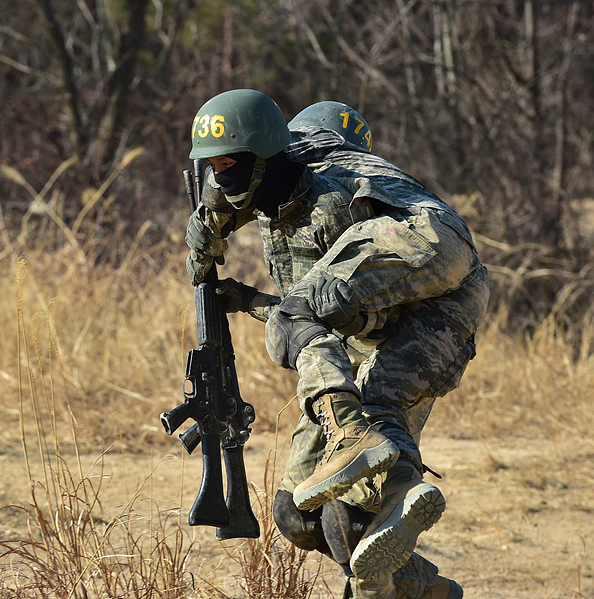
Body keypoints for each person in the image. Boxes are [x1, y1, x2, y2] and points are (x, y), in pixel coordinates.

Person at [184, 90, 487, 599]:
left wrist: (202, 236)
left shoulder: (327, 179)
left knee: (349, 503)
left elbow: (302, 308)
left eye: (228, 165)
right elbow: (313, 311)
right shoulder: (276, 178)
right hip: (395, 310)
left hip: (432, 252)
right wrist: (249, 298)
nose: (221, 175)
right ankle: (421, 578)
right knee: (295, 514)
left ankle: (364, 452)